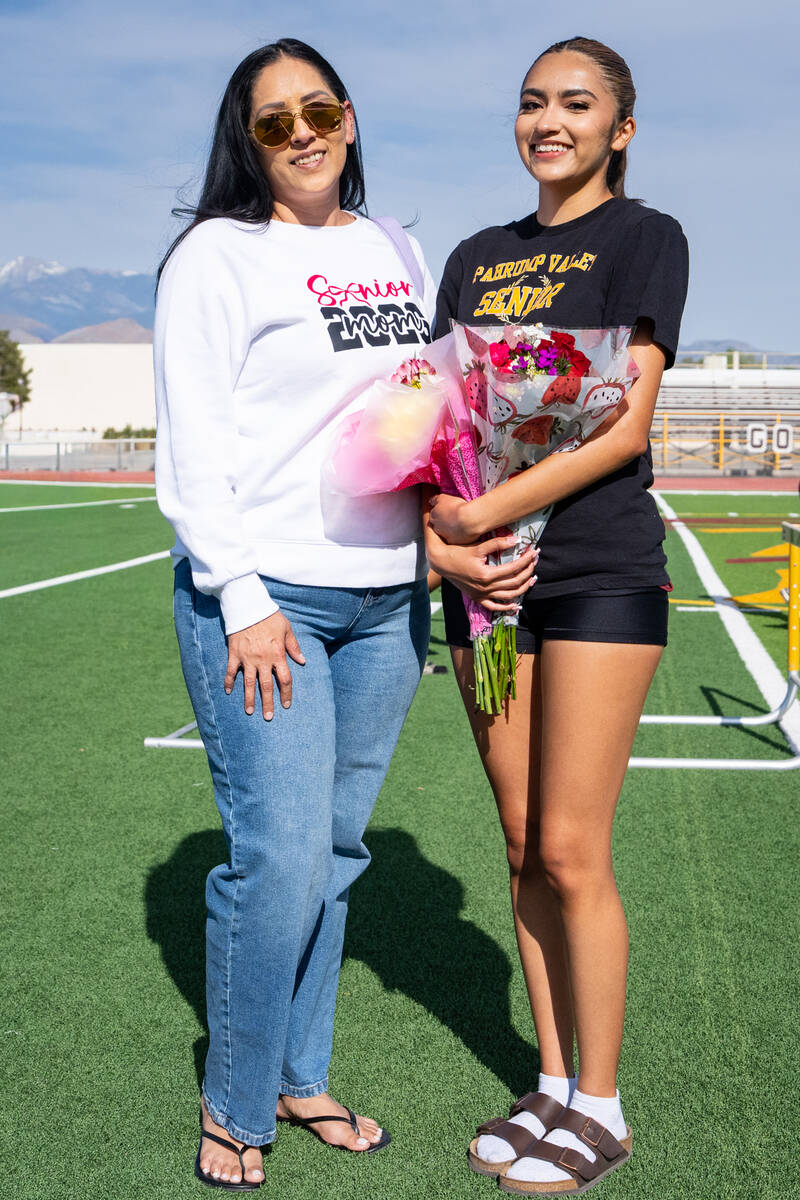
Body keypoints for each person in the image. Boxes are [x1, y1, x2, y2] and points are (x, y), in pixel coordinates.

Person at [153, 38, 511, 1191]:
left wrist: (448, 535)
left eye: (317, 110)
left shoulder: (390, 246)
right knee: (277, 859)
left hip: (382, 604)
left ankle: (300, 1076)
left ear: (347, 119)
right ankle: (234, 1101)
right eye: (272, 122)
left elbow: (411, 415)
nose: (300, 132)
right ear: (245, 142)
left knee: (338, 855)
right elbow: (194, 448)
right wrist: (244, 599)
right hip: (268, 603)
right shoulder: (218, 255)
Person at [425, 36, 689, 1196]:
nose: (549, 120)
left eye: (576, 104)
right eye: (533, 102)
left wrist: (482, 510)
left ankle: (602, 1103)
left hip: (592, 578)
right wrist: (452, 534)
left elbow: (620, 427)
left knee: (576, 848)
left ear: (617, 129)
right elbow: (426, 418)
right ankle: (546, 1079)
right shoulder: (474, 258)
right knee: (523, 839)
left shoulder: (643, 239)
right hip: (483, 592)